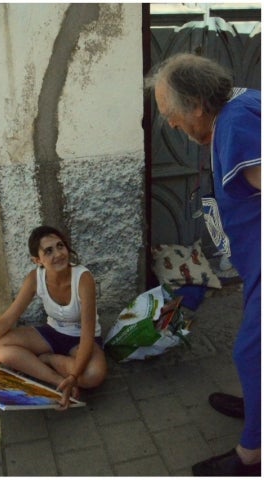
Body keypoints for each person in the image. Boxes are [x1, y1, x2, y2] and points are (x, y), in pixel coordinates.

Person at [147, 52, 260, 476]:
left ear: (196, 104)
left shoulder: (235, 125)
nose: (171, 125)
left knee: (252, 353)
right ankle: (258, 409)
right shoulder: (243, 102)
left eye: (171, 114)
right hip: (254, 264)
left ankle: (253, 455)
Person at [0, 225, 107, 410]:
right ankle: (57, 379)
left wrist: (74, 376)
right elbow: (9, 317)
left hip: (81, 340)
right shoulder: (35, 278)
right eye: (49, 251)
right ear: (38, 260)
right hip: (52, 333)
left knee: (92, 375)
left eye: (60, 246)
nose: (58, 254)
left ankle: (50, 360)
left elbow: (87, 334)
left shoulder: (83, 278)